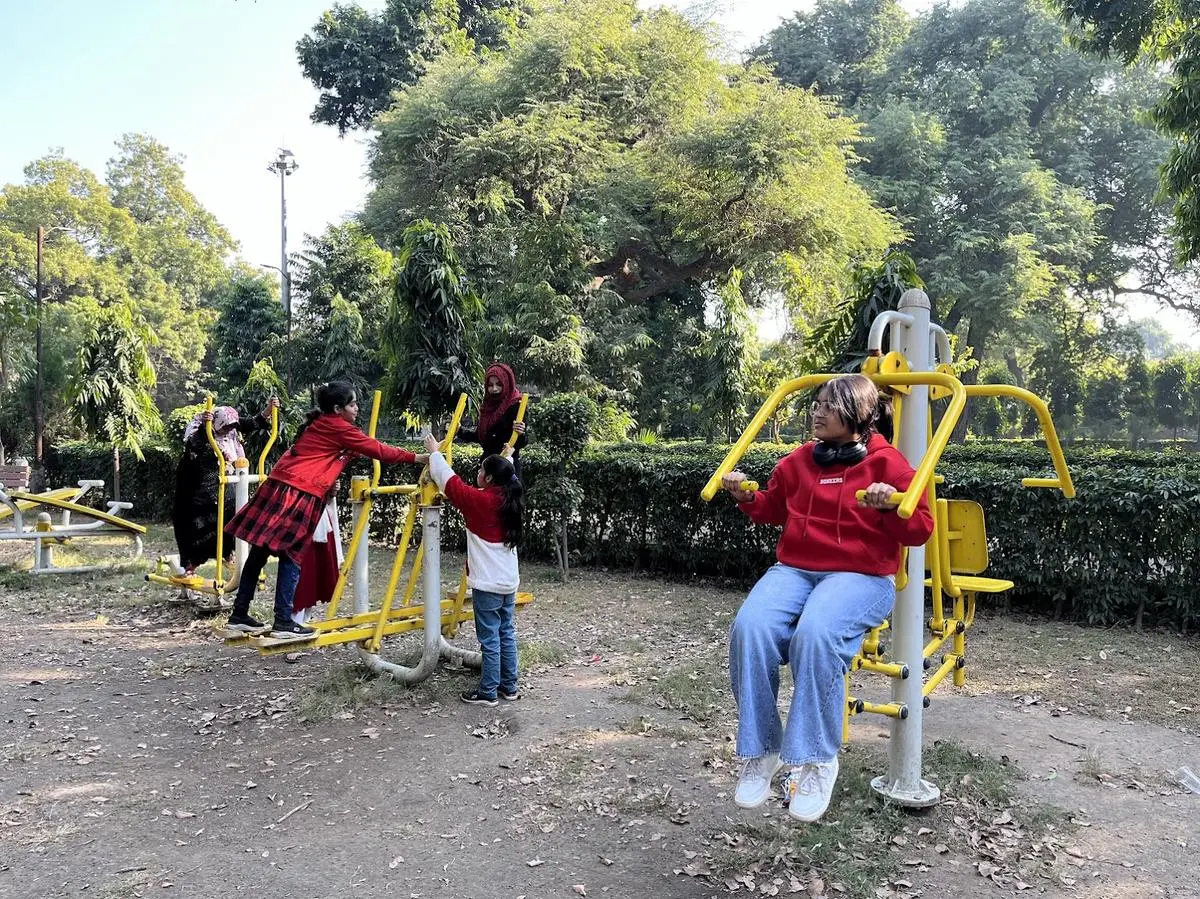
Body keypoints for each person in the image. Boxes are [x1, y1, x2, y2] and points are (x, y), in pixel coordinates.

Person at [720, 374, 933, 824]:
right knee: (750, 629)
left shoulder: (888, 464)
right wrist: (745, 496)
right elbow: (772, 508)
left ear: (857, 414)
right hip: (797, 569)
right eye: (815, 404)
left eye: (827, 406)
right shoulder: (799, 461)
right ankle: (763, 751)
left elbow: (920, 529)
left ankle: (818, 760)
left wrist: (891, 505)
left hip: (861, 575)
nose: (816, 412)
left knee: (815, 635)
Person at [224, 382, 428, 640]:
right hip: (299, 491)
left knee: (260, 551)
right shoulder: (338, 427)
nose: (356, 409)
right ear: (337, 408)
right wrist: (419, 458)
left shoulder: (321, 423)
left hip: (280, 485)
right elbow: (378, 450)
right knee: (292, 553)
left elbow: (350, 450)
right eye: (352, 404)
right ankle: (283, 621)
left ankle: (239, 615)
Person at [424, 431, 525, 707]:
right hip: (508, 583)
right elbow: (509, 476)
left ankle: (488, 692)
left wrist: (434, 452)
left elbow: (450, 482)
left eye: (482, 469)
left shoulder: (480, 502)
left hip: (488, 585)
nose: (478, 472)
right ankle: (509, 686)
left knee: (490, 638)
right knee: (506, 632)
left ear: (489, 478)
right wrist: (508, 457)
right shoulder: (509, 498)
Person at [170, 399, 278, 576]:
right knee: (196, 527)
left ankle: (228, 553)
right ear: (215, 423)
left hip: (224, 483)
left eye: (231, 427)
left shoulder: (230, 427)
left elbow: (252, 422)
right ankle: (191, 566)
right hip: (197, 488)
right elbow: (195, 444)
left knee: (230, 519)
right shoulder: (200, 431)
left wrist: (268, 409)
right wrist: (206, 426)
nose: (229, 431)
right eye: (225, 427)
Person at [458, 363, 528, 476]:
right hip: (487, 468)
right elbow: (483, 437)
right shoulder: (488, 406)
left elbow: (522, 442)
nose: (494, 389)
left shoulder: (516, 405)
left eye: (499, 384)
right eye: (490, 385)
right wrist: (460, 431)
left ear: (506, 383)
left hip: (507, 468)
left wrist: (521, 433)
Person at [290, 496, 343, 627]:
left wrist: (331, 492)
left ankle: (303, 617)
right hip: (302, 518)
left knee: (314, 570)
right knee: (303, 573)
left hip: (319, 518)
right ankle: (294, 618)